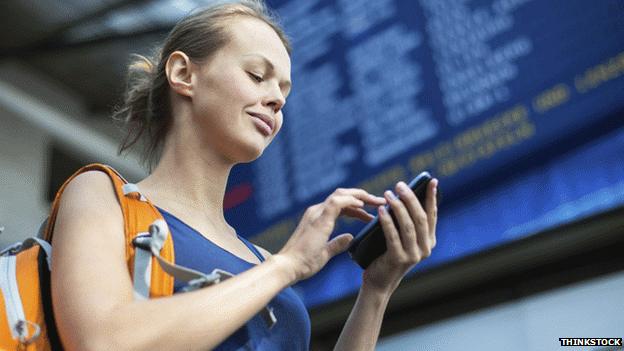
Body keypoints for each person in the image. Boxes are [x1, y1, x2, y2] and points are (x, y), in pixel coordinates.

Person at [50, 1, 439, 350]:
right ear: (184, 73)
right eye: (257, 75)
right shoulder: (100, 195)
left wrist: (376, 292)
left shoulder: (262, 262)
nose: (277, 99)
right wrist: (286, 267)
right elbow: (100, 340)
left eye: (283, 91)